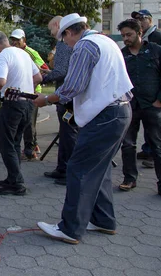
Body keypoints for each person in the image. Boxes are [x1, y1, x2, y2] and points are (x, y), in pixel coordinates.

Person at [34, 13, 133, 244]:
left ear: (69, 32)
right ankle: (103, 220)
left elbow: (73, 86)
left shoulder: (84, 46)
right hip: (120, 111)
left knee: (78, 168)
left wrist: (47, 99)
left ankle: (70, 229)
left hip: (105, 115)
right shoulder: (105, 40)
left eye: (63, 39)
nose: (64, 44)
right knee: (100, 169)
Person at [117, 19, 161, 200]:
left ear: (139, 33)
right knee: (128, 145)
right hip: (130, 106)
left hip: (153, 106)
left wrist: (160, 100)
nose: (126, 39)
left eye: (129, 35)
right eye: (123, 36)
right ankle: (129, 178)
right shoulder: (122, 55)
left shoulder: (156, 51)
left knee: (158, 146)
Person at [0, 31, 41, 196]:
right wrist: (26, 87)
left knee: (6, 144)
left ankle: (17, 183)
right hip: (28, 104)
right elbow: (38, 77)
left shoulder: (2, 56)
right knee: (15, 143)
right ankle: (13, 178)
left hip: (13, 104)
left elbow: (1, 81)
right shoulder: (23, 53)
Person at [130, 9, 161, 163]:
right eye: (136, 19)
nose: (138, 21)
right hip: (139, 95)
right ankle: (147, 149)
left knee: (154, 128)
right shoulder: (140, 38)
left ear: (149, 19)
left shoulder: (158, 37)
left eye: (141, 18)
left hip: (154, 93)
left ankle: (152, 154)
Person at [41, 16, 77, 186]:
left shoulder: (63, 43)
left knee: (68, 134)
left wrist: (43, 78)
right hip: (72, 97)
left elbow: (62, 71)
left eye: (51, 30)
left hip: (67, 98)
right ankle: (62, 168)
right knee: (65, 133)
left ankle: (67, 171)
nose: (51, 33)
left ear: (57, 25)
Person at [9, 28, 49, 160]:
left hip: (32, 93)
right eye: (12, 40)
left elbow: (45, 69)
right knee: (27, 122)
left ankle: (30, 151)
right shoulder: (14, 52)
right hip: (21, 93)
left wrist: (30, 84)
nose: (14, 42)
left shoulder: (31, 52)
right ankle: (34, 146)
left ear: (24, 40)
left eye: (17, 40)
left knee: (28, 123)